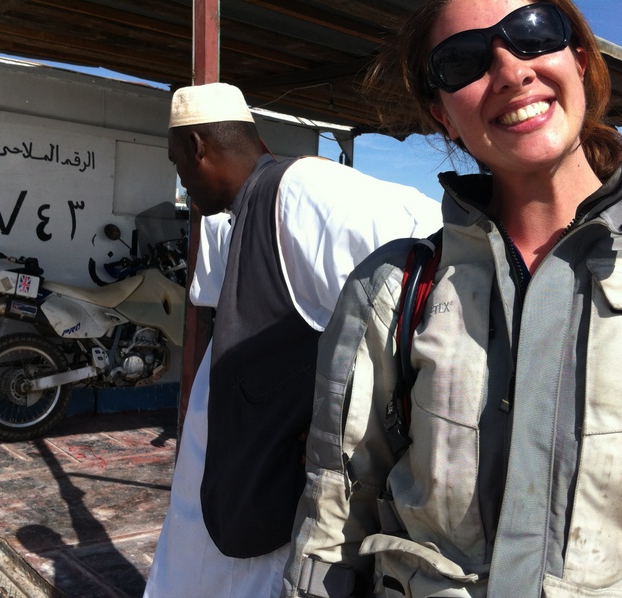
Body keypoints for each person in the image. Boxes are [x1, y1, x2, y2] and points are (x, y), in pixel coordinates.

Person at [283, 1, 622, 597]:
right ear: (443, 117)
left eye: (534, 34)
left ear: (580, 61)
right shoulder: (392, 289)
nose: (512, 70)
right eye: (464, 61)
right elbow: (336, 508)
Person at [143, 82, 442, 597]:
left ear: (198, 147)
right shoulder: (228, 214)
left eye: (178, 163)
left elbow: (426, 273)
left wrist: (342, 423)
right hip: (223, 482)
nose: (180, 181)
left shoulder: (306, 191)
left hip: (274, 499)